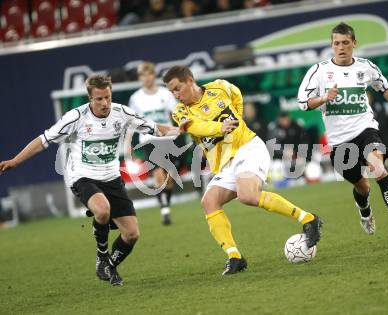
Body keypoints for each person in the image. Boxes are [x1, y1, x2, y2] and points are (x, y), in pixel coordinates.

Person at [0, 75, 179, 285]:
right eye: (99, 99)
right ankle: (102, 255)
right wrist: (15, 161)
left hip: (111, 178)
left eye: (108, 97)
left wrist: (182, 130)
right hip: (83, 177)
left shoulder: (122, 113)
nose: (105, 103)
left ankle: (110, 267)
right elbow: (44, 140)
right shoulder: (76, 117)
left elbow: (156, 128)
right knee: (102, 210)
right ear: (90, 98)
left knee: (131, 234)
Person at [163, 66, 323, 275]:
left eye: (177, 88)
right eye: (171, 91)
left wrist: (238, 120)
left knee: (248, 196)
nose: (176, 94)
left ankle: (309, 219)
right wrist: (219, 128)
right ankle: (235, 257)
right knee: (209, 202)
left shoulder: (219, 87)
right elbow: (196, 128)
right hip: (226, 163)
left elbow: (236, 94)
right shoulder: (180, 111)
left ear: (190, 80)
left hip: (248, 148)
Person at [297, 22, 388, 242]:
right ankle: (364, 208)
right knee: (362, 187)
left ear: (354, 43)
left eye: (345, 43)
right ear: (331, 45)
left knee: (379, 169)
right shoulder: (319, 71)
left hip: (366, 129)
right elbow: (303, 103)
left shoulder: (366, 67)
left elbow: (383, 87)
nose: (341, 47)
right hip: (339, 142)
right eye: (336, 43)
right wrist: (325, 98)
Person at [129, 62, 179, 225]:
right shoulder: (136, 98)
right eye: (143, 75)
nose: (147, 78)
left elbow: (176, 113)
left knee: (169, 179)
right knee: (158, 174)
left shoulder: (166, 94)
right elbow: (132, 121)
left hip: (167, 139)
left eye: (149, 74)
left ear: (154, 75)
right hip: (148, 140)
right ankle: (164, 210)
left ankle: (166, 205)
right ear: (140, 78)